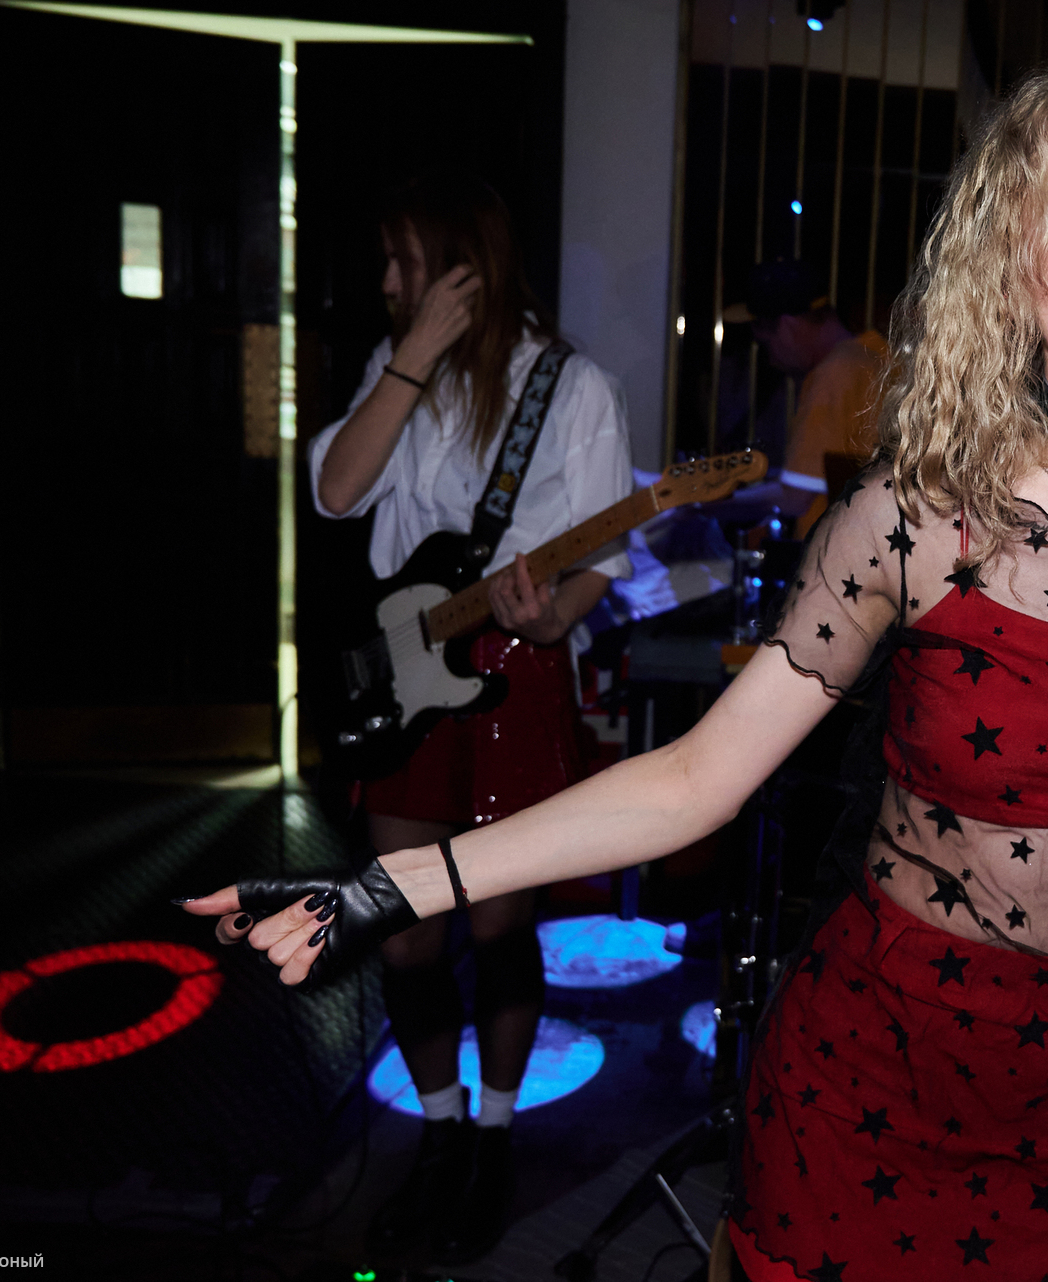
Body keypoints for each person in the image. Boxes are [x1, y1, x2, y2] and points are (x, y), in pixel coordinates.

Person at [192, 54, 1048, 1280]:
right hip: (872, 1093)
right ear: (1012, 267)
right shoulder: (918, 515)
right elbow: (694, 780)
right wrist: (387, 887)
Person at [307, 173, 635, 1263]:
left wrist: (553, 619)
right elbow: (339, 491)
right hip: (407, 670)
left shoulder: (572, 386)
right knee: (406, 933)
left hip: (511, 670)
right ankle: (440, 1134)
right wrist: (410, 358)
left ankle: (494, 1140)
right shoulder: (395, 367)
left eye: (404, 260)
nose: (386, 281)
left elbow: (601, 554)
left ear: (463, 267)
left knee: (498, 928)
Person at [722, 259, 888, 531]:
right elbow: (836, 472)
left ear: (787, 326)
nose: (771, 359)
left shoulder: (835, 374)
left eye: (766, 343)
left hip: (836, 550)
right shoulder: (875, 358)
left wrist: (706, 505)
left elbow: (796, 497)